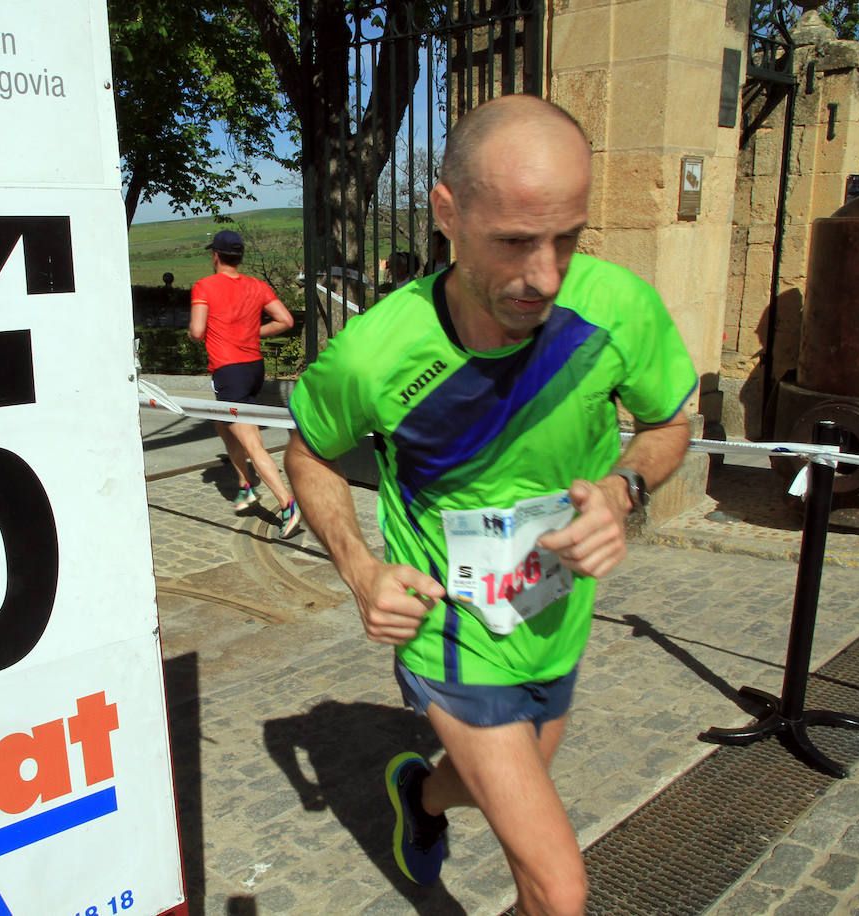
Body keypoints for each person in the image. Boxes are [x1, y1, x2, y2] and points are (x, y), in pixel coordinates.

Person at [284, 95, 695, 915]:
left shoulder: (617, 308)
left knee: (499, 782)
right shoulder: (373, 354)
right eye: (513, 241)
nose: (544, 275)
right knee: (556, 881)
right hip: (452, 633)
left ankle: (422, 798)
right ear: (447, 212)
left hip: (552, 614)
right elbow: (307, 453)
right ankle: (437, 794)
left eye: (568, 238)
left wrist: (624, 489)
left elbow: (668, 421)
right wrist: (363, 571)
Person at [190, 229, 302, 538]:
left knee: (251, 441)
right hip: (253, 368)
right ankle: (245, 485)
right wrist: (254, 334)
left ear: (215, 256)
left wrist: (194, 333)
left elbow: (198, 331)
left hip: (229, 371)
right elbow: (286, 321)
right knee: (223, 426)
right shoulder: (257, 286)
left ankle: (287, 504)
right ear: (238, 257)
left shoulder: (205, 286)